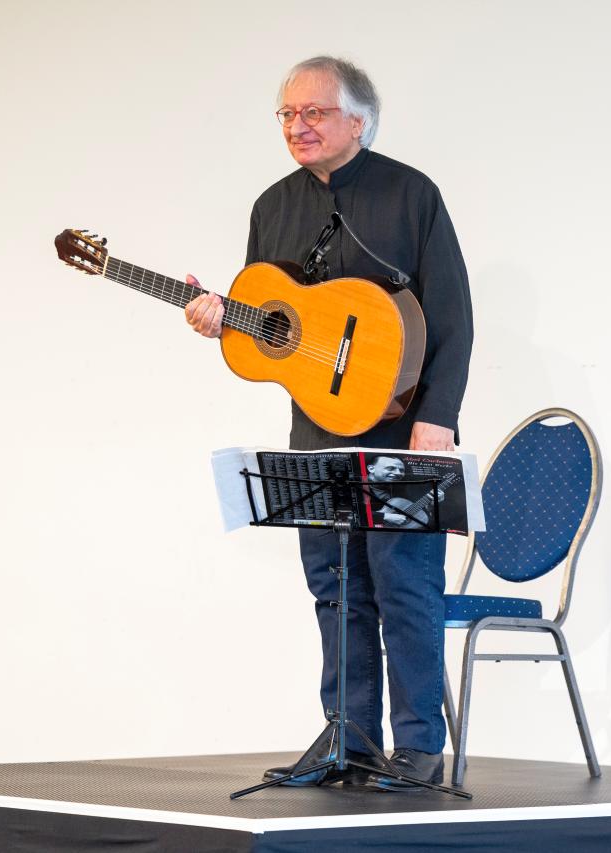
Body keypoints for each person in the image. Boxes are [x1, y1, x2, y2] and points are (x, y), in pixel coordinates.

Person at [184, 56, 472, 790]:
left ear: (359, 121)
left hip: (405, 429)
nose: (298, 126)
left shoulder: (411, 194)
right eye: (287, 114)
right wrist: (220, 321)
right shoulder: (271, 206)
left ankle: (418, 746)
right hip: (316, 429)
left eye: (314, 112)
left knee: (405, 586)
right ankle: (350, 739)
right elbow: (268, 328)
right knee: (335, 587)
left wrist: (437, 417)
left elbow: (453, 316)